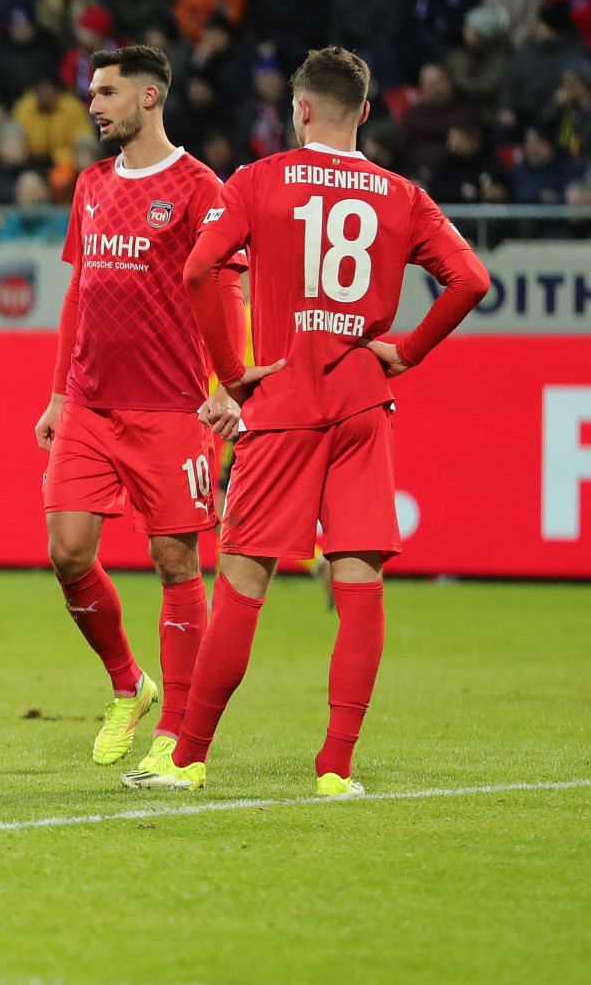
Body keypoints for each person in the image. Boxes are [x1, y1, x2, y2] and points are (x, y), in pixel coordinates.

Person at [127, 47, 489, 796]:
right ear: (362, 111)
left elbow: (199, 272)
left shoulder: (259, 181)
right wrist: (407, 352)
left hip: (284, 398)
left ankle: (189, 758)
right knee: (359, 585)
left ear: (299, 110)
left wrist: (233, 374)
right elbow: (471, 279)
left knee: (242, 582)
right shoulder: (401, 193)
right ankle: (335, 768)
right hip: (362, 399)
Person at [32, 45, 239, 775]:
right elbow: (77, 294)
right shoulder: (89, 185)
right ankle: (129, 683)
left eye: (108, 93)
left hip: (173, 407)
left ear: (150, 97)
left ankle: (177, 735)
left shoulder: (198, 187)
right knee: (67, 551)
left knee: (175, 558)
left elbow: (225, 291)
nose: (94, 105)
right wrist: (59, 394)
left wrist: (229, 384)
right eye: (92, 93)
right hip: (90, 404)